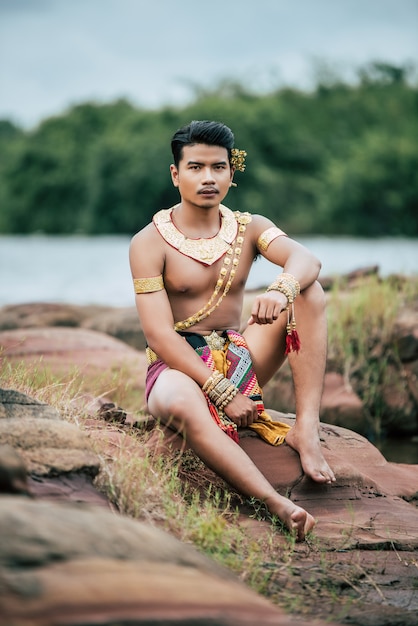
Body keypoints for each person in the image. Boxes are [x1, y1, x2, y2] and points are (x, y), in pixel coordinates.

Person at [129, 120, 335, 542]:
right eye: (196, 167)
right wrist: (224, 393)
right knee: (186, 401)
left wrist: (280, 290)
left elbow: (306, 258)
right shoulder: (148, 242)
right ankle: (276, 502)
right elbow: (159, 336)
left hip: (239, 356)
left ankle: (306, 428)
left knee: (309, 293)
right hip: (178, 369)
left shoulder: (249, 227)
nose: (208, 178)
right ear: (176, 174)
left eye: (218, 167)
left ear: (231, 172)